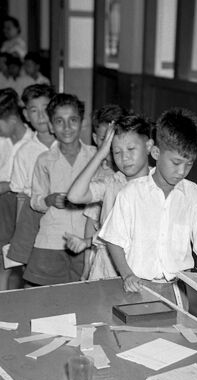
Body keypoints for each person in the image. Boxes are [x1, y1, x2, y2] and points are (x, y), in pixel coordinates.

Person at [98, 107, 197, 301]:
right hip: (137, 286)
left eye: (189, 164)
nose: (182, 171)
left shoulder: (193, 195)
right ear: (156, 152)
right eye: (176, 163)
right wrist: (127, 274)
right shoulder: (131, 194)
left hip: (177, 289)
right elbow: (114, 240)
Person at [68, 112, 160, 281]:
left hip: (144, 270)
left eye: (131, 149)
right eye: (116, 152)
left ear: (148, 146)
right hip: (107, 271)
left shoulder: (160, 185)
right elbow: (74, 196)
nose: (124, 157)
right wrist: (101, 153)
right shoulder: (111, 183)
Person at [24, 93, 96, 286]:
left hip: (85, 239)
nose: (66, 128)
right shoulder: (45, 160)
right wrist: (48, 200)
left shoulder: (95, 157)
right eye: (59, 121)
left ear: (83, 122)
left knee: (82, 295)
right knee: (44, 296)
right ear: (50, 126)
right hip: (52, 238)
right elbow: (35, 200)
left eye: (73, 120)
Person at [0, 88, 37, 291]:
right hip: (1, 205)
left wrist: (9, 185)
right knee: (1, 260)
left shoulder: (33, 142)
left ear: (13, 120)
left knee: (25, 261)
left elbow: (34, 179)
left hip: (25, 204)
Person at [64, 103, 125, 280]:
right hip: (103, 258)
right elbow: (91, 222)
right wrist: (87, 266)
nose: (108, 146)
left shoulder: (128, 176)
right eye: (103, 140)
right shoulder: (99, 174)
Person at [6, 83, 56, 267]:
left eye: (46, 109)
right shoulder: (24, 152)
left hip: (64, 215)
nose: (42, 116)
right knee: (33, 270)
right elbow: (21, 196)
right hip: (33, 215)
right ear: (26, 115)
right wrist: (20, 232)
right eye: (34, 110)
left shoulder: (68, 145)